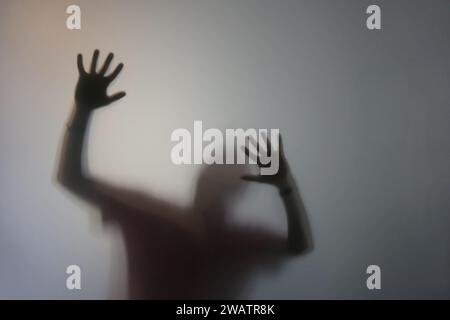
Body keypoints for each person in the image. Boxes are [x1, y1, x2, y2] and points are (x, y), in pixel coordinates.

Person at [57, 50, 313, 299]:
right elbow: (71, 179)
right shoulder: (151, 213)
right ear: (200, 177)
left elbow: (297, 247)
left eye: (225, 177)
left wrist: (286, 186)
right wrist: (82, 110)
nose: (215, 183)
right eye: (215, 171)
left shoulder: (234, 240)